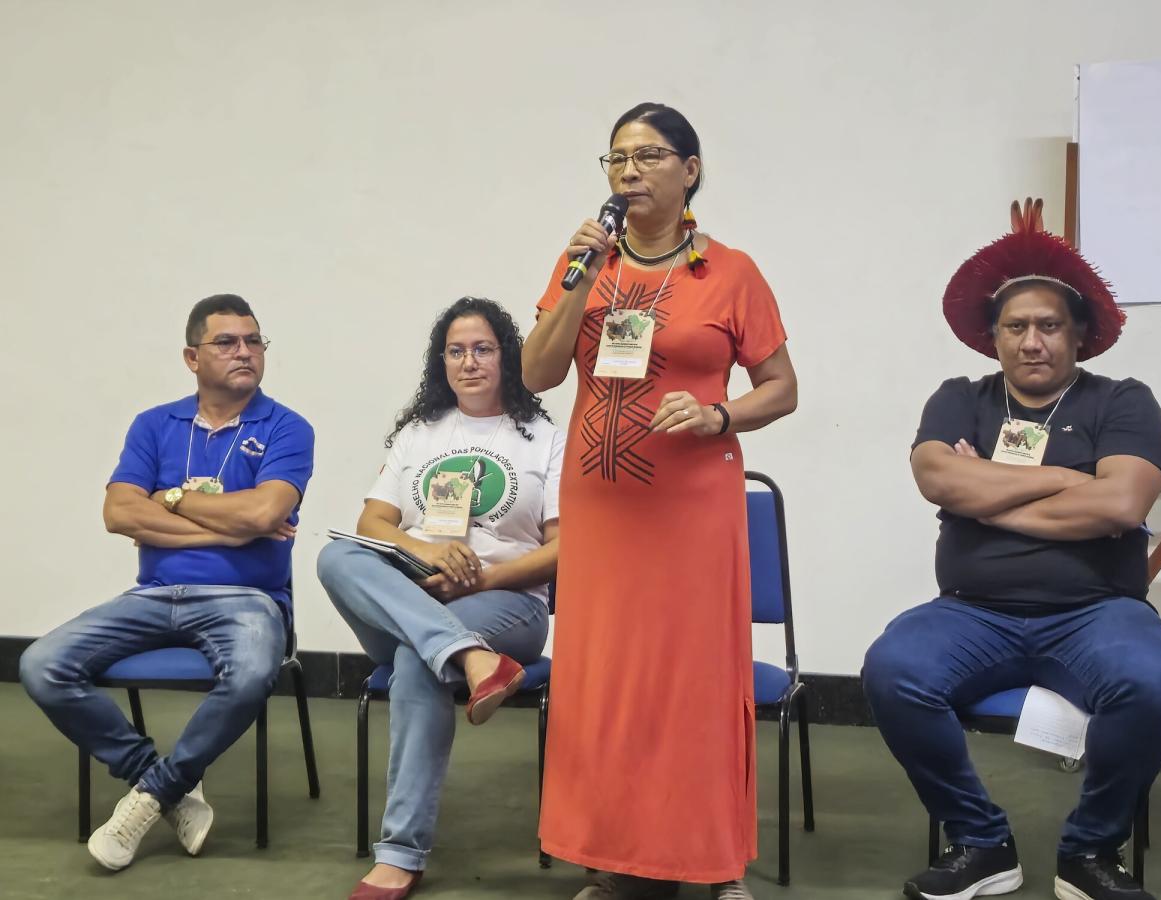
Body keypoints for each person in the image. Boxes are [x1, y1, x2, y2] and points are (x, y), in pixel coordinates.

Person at [861, 199, 1161, 900]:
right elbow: (936, 478)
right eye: (1016, 327)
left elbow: (1122, 504)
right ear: (994, 337)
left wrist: (990, 493)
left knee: (1152, 683)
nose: (1031, 341)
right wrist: (1067, 482)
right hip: (972, 612)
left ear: (1078, 336)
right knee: (892, 669)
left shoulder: (1123, 401)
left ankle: (1091, 851)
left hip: (1098, 611)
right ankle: (980, 842)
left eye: (1048, 326)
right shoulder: (959, 398)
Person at [522, 102, 798, 900]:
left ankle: (712, 861)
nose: (630, 172)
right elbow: (539, 374)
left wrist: (720, 414)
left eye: (648, 156)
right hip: (603, 514)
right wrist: (580, 277)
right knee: (604, 684)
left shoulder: (732, 273)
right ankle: (613, 862)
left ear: (691, 170)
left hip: (691, 510)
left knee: (690, 686)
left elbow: (782, 389)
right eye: (615, 159)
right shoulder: (585, 264)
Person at [20, 293, 314, 871]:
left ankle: (152, 794)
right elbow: (119, 514)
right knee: (40, 664)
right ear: (191, 356)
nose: (244, 352)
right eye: (226, 342)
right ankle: (165, 784)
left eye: (254, 341)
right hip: (153, 596)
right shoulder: (155, 425)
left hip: (247, 601)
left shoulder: (287, 427)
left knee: (254, 672)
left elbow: (263, 515)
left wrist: (173, 501)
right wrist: (225, 531)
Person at [318, 297, 562, 900]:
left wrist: (481, 579)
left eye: (482, 348)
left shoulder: (545, 440)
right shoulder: (417, 435)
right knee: (335, 556)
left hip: (507, 605)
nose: (469, 362)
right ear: (441, 361)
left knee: (417, 660)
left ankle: (399, 855)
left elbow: (568, 548)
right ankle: (469, 658)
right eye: (456, 351)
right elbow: (373, 521)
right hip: (414, 592)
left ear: (506, 357)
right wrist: (424, 553)